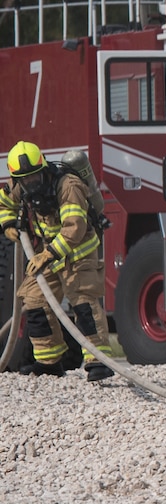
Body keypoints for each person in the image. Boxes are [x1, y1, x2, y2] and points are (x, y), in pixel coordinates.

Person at [0, 142, 112, 381]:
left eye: (34, 178)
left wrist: (48, 253)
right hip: (48, 252)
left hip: (78, 252)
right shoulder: (19, 184)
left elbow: (75, 228)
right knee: (34, 299)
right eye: (24, 180)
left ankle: (98, 361)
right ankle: (49, 362)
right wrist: (8, 225)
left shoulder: (67, 186)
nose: (31, 184)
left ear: (43, 168)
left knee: (83, 302)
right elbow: (5, 204)